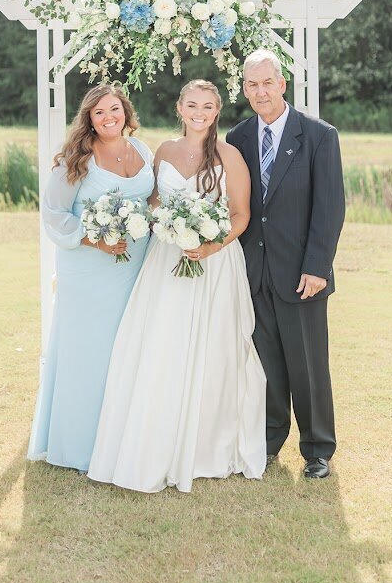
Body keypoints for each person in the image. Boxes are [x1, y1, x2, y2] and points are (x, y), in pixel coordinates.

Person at [88, 80, 266, 493]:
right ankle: (156, 438)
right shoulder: (164, 152)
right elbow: (153, 201)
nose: (199, 112)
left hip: (214, 264)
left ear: (216, 111)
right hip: (166, 261)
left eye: (207, 106)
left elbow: (240, 215)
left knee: (211, 349)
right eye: (192, 105)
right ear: (179, 108)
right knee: (161, 345)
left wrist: (209, 245)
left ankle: (206, 446)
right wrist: (164, 221)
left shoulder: (230, 156)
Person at [226, 50, 345, 479]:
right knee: (266, 365)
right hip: (254, 273)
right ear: (245, 90)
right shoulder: (237, 138)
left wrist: (317, 266)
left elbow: (330, 208)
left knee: (308, 364)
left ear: (282, 83)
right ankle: (269, 440)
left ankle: (317, 449)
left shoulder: (318, 135)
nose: (260, 91)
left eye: (267, 82)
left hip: (302, 275)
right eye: (252, 84)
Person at [27, 84, 154, 473]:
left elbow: (150, 200)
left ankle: (120, 439)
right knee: (88, 354)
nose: (108, 117)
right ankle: (80, 445)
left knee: (126, 350)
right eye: (98, 113)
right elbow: (53, 212)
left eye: (113, 108)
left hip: (133, 268)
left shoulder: (143, 151)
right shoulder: (76, 159)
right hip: (88, 269)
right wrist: (93, 238)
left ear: (125, 111)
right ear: (89, 119)